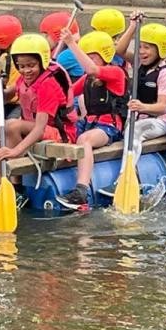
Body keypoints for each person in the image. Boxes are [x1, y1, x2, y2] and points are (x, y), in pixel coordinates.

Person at [0, 33, 76, 189]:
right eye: (22, 66)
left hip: (58, 132)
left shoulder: (48, 84)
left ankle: (16, 186)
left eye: (31, 65)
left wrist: (15, 151)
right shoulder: (23, 79)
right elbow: (6, 97)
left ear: (42, 62)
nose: (26, 70)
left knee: (13, 125)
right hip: (31, 126)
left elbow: (40, 128)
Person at [53, 29, 130, 209]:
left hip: (109, 127)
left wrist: (71, 43)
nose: (87, 60)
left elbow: (91, 68)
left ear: (105, 55)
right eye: (86, 56)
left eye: (92, 57)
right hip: (88, 123)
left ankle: (81, 191)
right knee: (60, 132)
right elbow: (67, 93)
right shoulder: (88, 78)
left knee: (84, 139)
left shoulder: (115, 72)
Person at [121, 19, 166, 164]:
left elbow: (162, 107)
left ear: (160, 49)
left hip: (160, 121)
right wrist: (133, 26)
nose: (141, 51)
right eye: (139, 46)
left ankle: (126, 172)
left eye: (147, 47)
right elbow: (119, 50)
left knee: (135, 130)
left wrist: (142, 107)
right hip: (139, 116)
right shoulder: (139, 63)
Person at [0, 14, 23, 117]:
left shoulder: (10, 59)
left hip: (15, 104)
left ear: (2, 40)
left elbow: (11, 92)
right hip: (5, 101)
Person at [39, 11, 84, 81]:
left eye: (46, 34)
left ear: (57, 34)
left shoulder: (67, 54)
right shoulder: (72, 48)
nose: (43, 39)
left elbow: (42, 74)